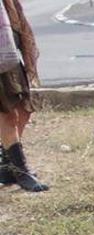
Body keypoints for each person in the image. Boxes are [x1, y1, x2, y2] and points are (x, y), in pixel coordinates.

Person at [0, 0, 48, 192]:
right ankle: (21, 171)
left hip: (7, 50)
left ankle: (6, 166)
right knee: (8, 115)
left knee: (24, 109)